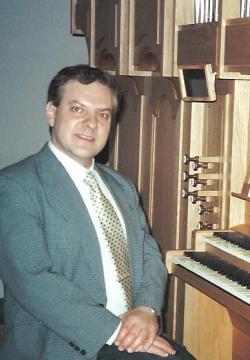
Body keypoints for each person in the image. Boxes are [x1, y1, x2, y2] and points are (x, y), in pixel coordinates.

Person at [0, 65, 195, 360]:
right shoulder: (16, 185)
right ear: (52, 113)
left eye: (103, 115)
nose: (91, 124)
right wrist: (115, 331)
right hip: (64, 342)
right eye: (78, 109)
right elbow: (33, 280)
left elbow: (149, 253)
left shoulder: (120, 185)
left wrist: (146, 309)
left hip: (133, 328)